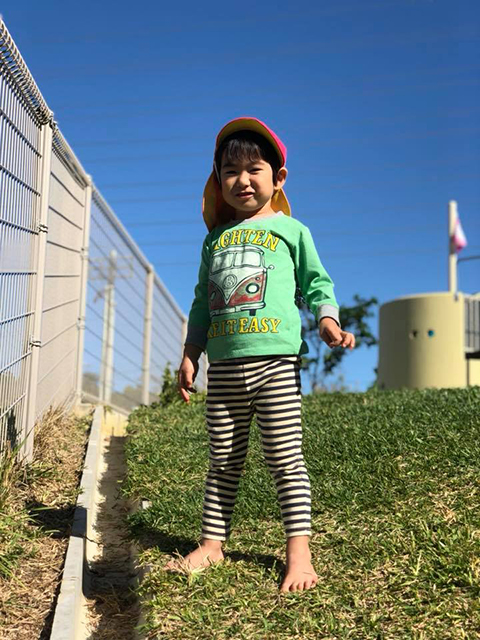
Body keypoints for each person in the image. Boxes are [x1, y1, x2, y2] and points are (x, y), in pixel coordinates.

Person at [165, 117, 355, 592]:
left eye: (254, 169)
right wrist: (191, 352)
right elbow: (201, 301)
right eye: (230, 171)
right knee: (223, 460)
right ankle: (212, 545)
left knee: (285, 459)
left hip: (276, 364)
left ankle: (299, 555)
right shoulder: (214, 239)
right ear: (218, 180)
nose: (243, 180)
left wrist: (327, 320)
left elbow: (317, 282)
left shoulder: (292, 231)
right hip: (224, 368)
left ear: (278, 177)